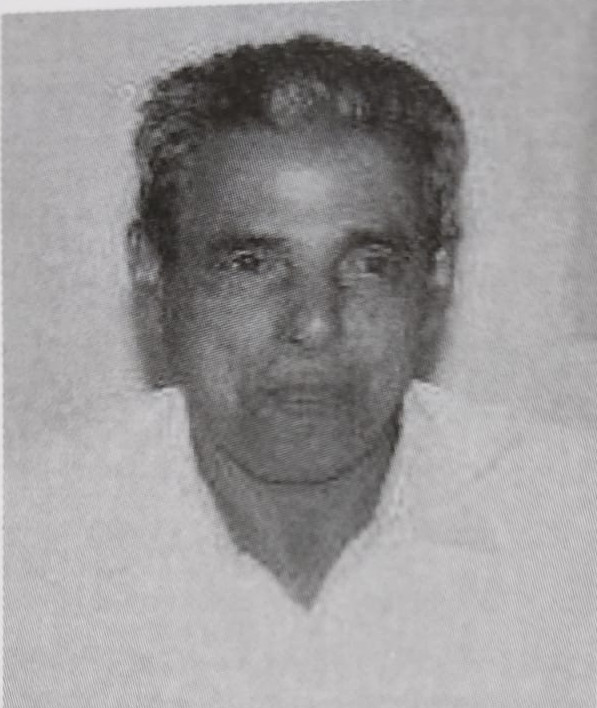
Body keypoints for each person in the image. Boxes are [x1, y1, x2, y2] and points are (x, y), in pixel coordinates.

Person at [6, 34, 595, 708]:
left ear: (437, 278)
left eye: (369, 264)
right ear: (152, 271)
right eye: (251, 264)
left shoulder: (573, 529)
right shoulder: (24, 549)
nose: (315, 324)